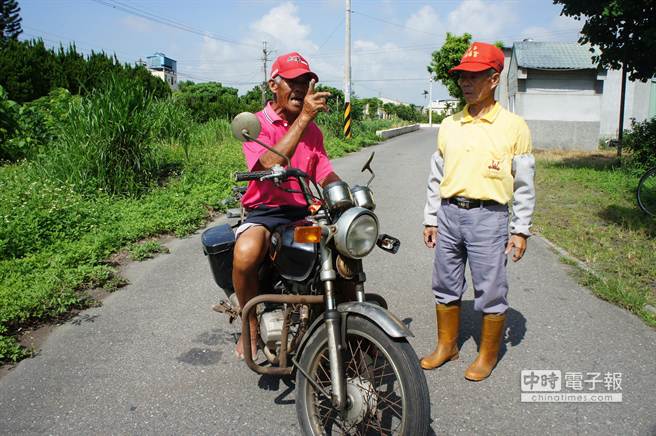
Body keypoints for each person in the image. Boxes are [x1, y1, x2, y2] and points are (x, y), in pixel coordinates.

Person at [420, 42, 536, 381]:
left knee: (491, 289)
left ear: (494, 78)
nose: (465, 84)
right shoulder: (449, 124)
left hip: (490, 216)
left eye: (474, 76)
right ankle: (447, 345)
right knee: (444, 282)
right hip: (449, 214)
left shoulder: (513, 126)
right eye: (461, 78)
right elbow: (436, 176)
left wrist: (520, 229)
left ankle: (487, 355)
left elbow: (525, 184)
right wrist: (431, 217)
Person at [228, 52, 340, 359]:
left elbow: (324, 169)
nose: (301, 88)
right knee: (246, 253)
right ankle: (249, 325)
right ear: (273, 85)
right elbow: (265, 164)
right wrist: (304, 118)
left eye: (305, 81)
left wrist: (342, 192)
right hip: (264, 213)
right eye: (293, 81)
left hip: (300, 214)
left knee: (336, 250)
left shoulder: (313, 131)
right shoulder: (257, 124)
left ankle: (333, 321)